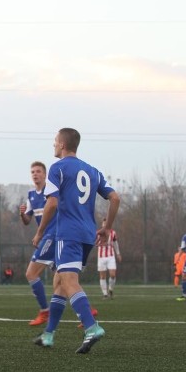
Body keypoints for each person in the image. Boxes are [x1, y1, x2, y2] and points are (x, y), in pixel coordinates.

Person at [32, 128, 120, 354]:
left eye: (54, 142)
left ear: (61, 145)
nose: (53, 146)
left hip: (68, 233)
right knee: (60, 282)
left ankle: (91, 327)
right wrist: (106, 228)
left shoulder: (58, 168)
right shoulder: (92, 170)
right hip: (88, 234)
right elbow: (115, 198)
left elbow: (51, 204)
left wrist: (40, 232)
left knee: (69, 281)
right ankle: (49, 335)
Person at [19, 161, 56, 326]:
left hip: (52, 236)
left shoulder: (51, 192)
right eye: (32, 172)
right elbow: (27, 220)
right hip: (49, 237)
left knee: (31, 274)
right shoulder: (31, 195)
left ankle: (44, 312)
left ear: (45, 174)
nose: (35, 174)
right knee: (64, 278)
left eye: (38, 171)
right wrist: (22, 214)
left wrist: (39, 234)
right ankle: (88, 311)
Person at [97, 218, 121, 299]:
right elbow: (93, 242)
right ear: (102, 224)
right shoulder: (98, 233)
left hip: (111, 256)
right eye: (103, 223)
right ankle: (105, 294)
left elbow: (115, 244)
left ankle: (110, 289)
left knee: (113, 275)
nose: (105, 224)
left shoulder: (112, 233)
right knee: (102, 276)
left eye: (106, 223)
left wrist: (118, 254)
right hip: (101, 257)